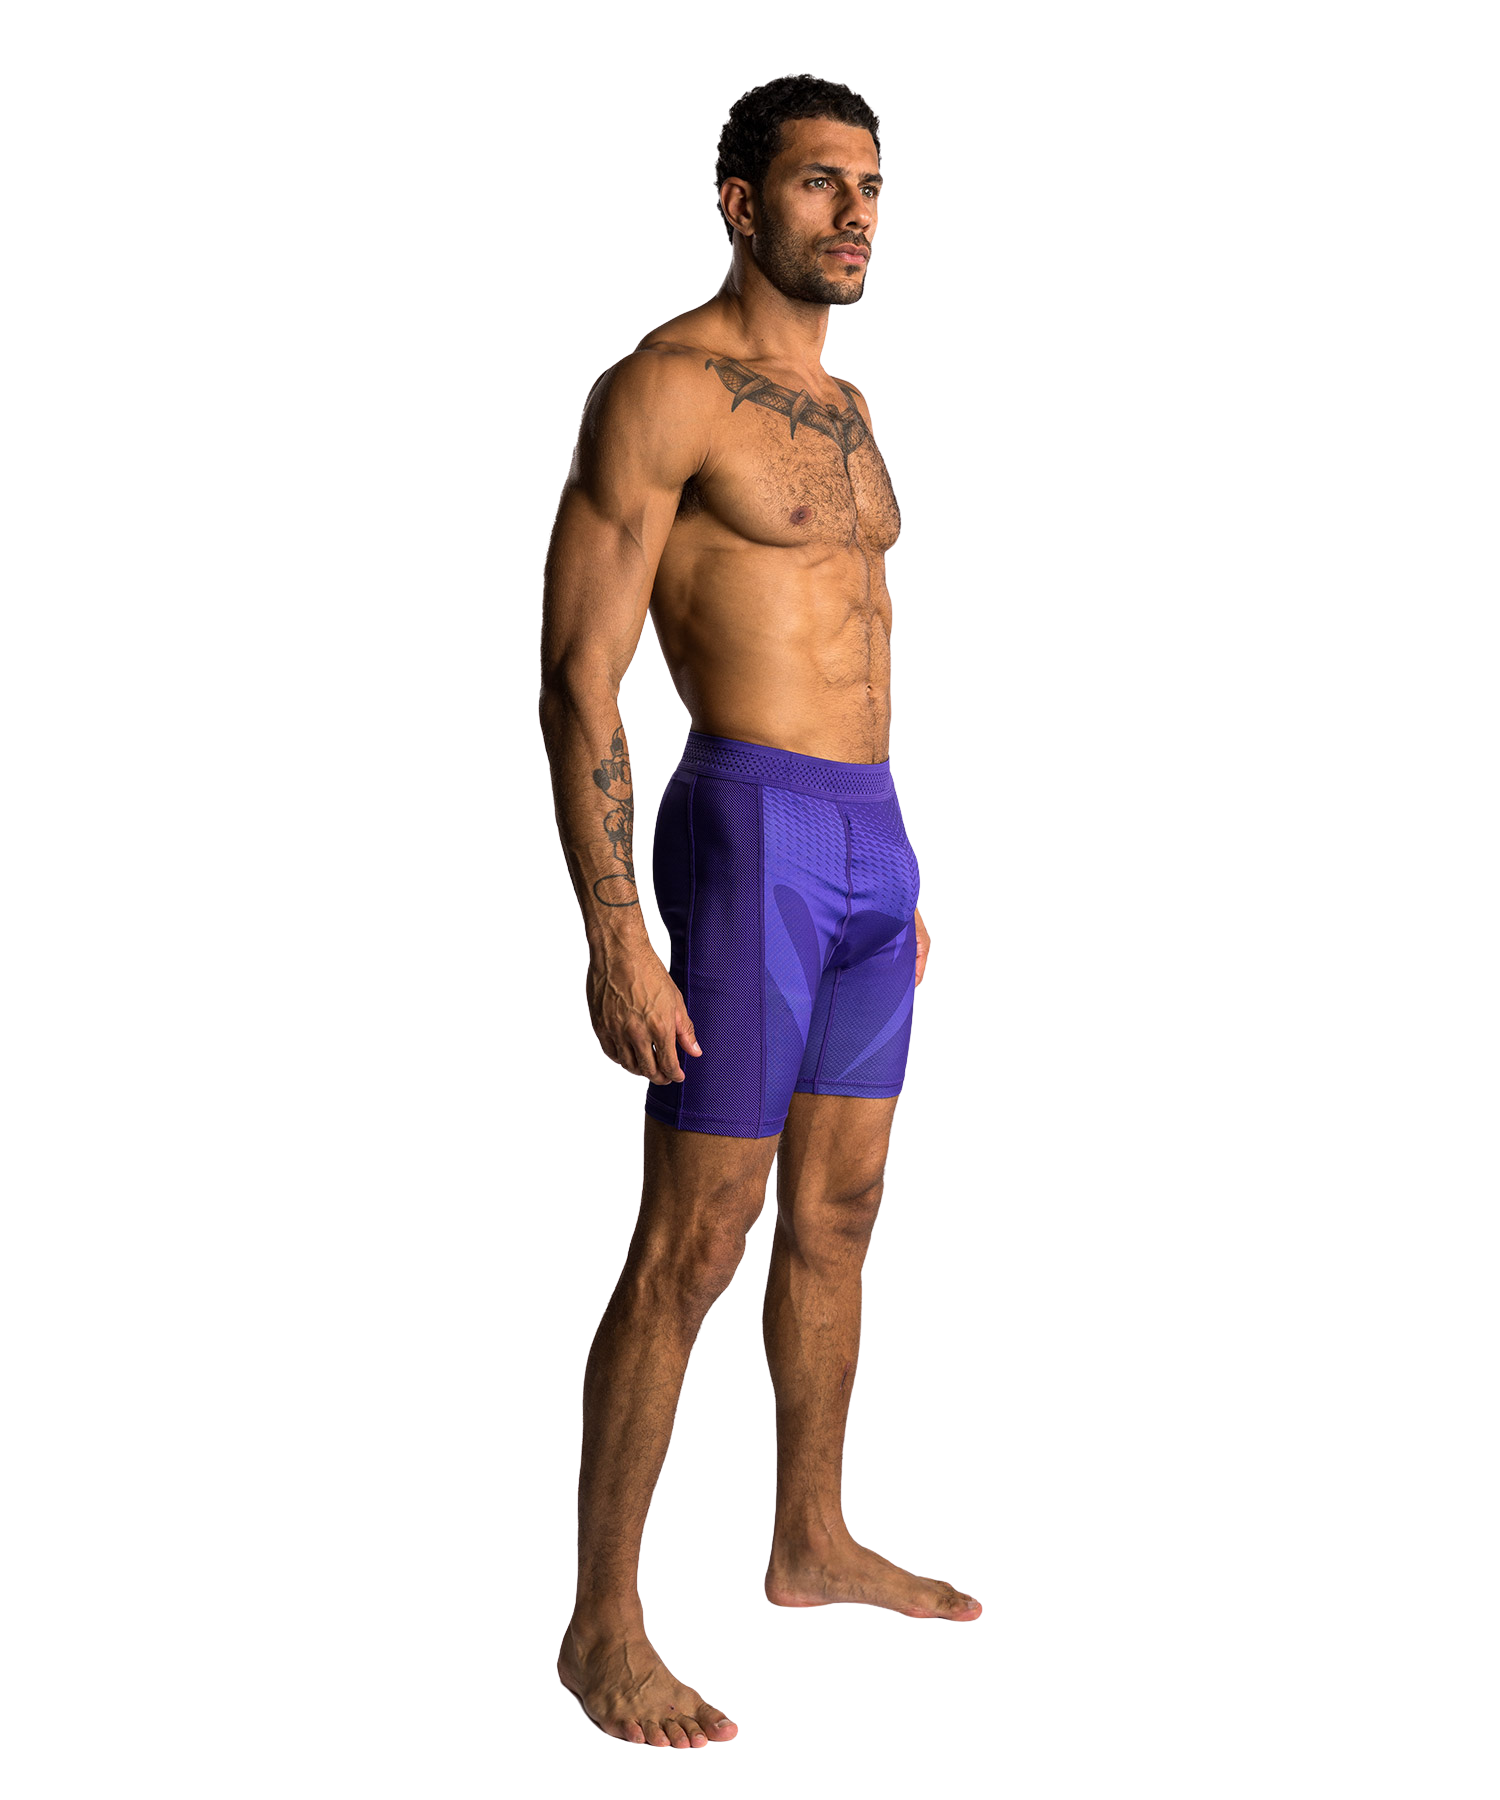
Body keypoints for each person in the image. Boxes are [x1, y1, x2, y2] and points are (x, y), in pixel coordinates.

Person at [538, 72, 980, 1751]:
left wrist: (900, 869)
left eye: (871, 186)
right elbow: (576, 682)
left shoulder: (853, 412)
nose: (856, 213)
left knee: (841, 1216)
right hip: (746, 836)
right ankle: (601, 1630)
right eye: (818, 184)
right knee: (697, 1240)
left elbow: (859, 642)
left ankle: (809, 1540)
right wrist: (615, 931)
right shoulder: (660, 389)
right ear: (741, 202)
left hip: (871, 846)